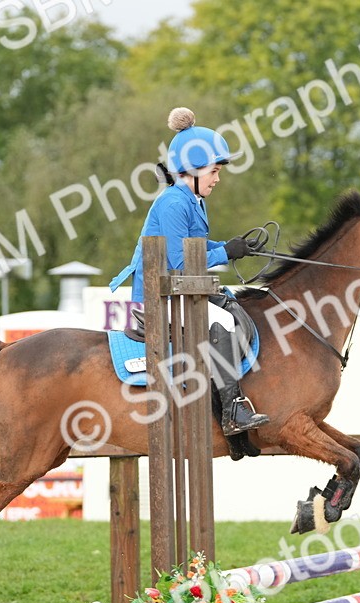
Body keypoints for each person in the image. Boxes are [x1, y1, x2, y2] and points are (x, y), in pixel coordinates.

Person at [110, 106, 269, 436]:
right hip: (158, 297)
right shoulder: (173, 203)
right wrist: (225, 252)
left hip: (178, 291)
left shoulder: (193, 200)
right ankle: (231, 410)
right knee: (223, 320)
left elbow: (197, 248)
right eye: (214, 170)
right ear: (193, 169)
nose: (218, 178)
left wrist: (234, 247)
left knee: (232, 308)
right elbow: (181, 262)